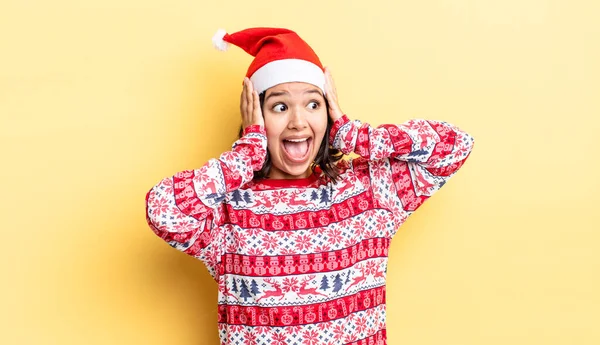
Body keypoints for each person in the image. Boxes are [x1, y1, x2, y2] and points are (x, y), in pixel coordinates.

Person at [145, 27, 474, 345]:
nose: (298, 121)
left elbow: (455, 145)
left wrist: (356, 135)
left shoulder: (369, 190)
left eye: (313, 104)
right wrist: (246, 154)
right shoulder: (228, 208)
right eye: (280, 106)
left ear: (328, 113)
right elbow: (163, 212)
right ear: (255, 115)